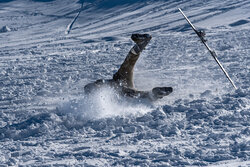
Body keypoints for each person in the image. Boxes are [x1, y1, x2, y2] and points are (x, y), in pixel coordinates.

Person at [84, 34, 173, 101]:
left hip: (119, 80)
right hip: (122, 86)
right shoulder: (102, 100)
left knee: (129, 62)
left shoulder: (96, 90)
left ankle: (141, 43)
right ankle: (154, 94)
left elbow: (89, 87)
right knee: (132, 93)